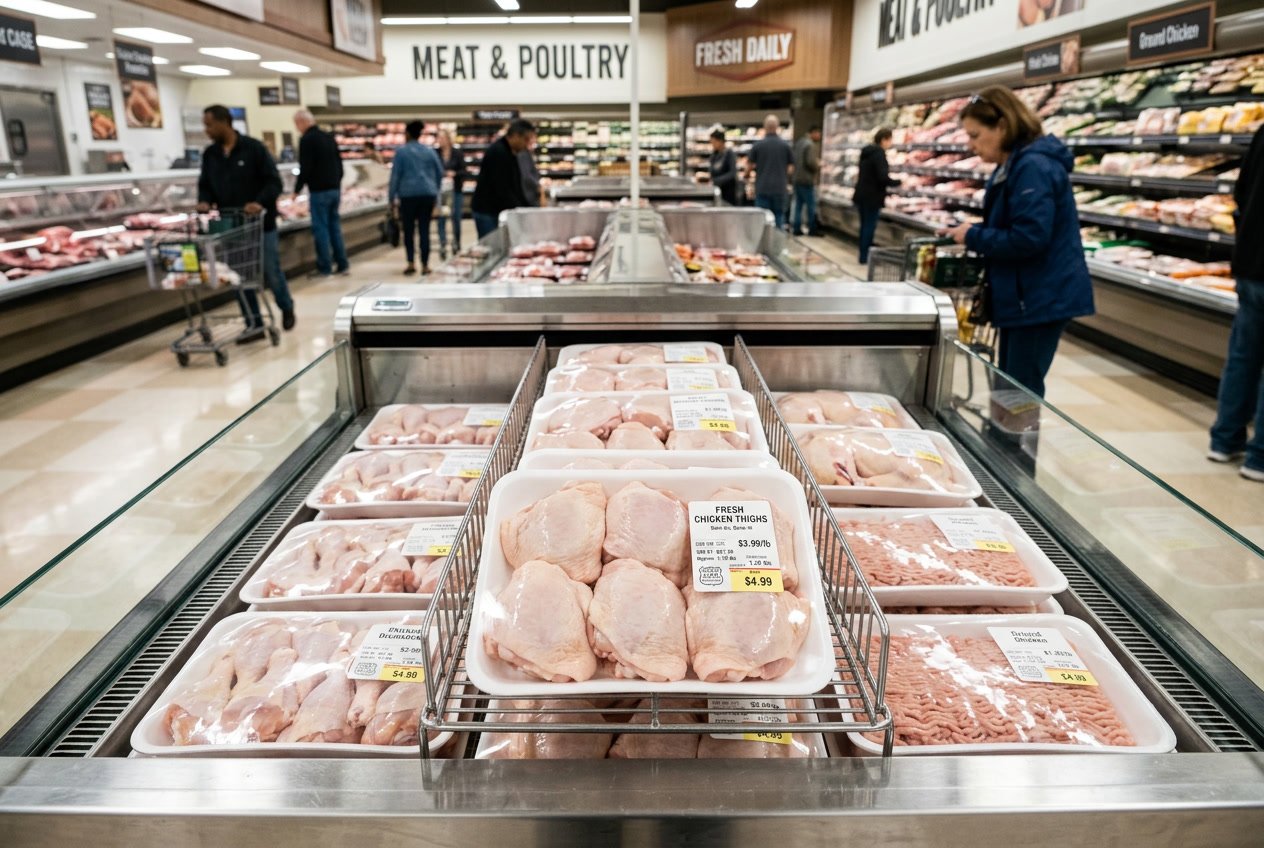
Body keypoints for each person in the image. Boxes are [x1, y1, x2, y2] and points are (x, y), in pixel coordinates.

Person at [940, 85, 1094, 398]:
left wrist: (973, 235)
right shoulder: (1015, 165)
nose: (971, 145)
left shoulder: (1032, 167)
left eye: (975, 135)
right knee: (1010, 386)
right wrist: (975, 229)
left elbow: (1030, 237)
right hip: (1025, 293)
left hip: (1039, 296)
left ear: (1003, 126)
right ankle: (1006, 442)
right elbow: (1018, 223)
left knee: (1019, 391)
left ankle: (1015, 447)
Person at [197, 103, 295, 336]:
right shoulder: (210, 155)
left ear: (224, 122)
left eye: (209, 125)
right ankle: (254, 323)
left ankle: (286, 306)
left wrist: (259, 202)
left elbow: (274, 182)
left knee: (270, 270)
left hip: (261, 224)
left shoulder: (254, 149)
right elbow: (205, 184)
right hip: (230, 225)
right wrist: (204, 200)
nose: (207, 130)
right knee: (238, 276)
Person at [1208, 123, 1264, 482]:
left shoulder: (1262, 133)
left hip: (1251, 261)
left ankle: (1224, 440)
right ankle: (1259, 458)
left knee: (1244, 354)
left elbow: (1241, 194)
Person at [292, 109, 350, 279]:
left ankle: (325, 268)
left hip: (319, 191)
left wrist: (296, 190)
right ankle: (342, 264)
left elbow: (306, 167)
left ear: (302, 122)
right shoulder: (328, 137)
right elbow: (339, 164)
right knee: (334, 228)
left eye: (297, 124)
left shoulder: (307, 140)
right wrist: (337, 183)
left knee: (321, 230)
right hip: (334, 190)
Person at [389, 119, 445, 276]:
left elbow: (395, 177)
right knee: (424, 229)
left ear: (407, 134)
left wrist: (391, 198)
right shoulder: (429, 151)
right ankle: (425, 265)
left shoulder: (401, 152)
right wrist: (435, 190)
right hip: (427, 195)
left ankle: (411, 262)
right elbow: (439, 172)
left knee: (408, 230)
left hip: (407, 196)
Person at [471, 118, 535, 238]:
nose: (527, 144)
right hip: (488, 211)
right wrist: (521, 209)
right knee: (491, 246)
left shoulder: (511, 152)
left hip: (496, 209)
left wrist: (526, 208)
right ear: (515, 136)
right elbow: (502, 188)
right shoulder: (499, 153)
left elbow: (515, 184)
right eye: (526, 139)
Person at [854, 127, 900, 264]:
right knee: (869, 226)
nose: (890, 143)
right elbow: (882, 177)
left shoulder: (866, 152)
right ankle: (865, 257)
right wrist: (898, 182)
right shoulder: (879, 154)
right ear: (884, 139)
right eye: (890, 140)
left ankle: (863, 254)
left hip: (861, 194)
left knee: (864, 226)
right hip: (872, 196)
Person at [748, 114, 793, 230]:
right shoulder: (785, 146)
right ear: (777, 126)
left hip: (762, 187)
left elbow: (749, 166)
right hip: (780, 187)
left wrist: (748, 175)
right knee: (779, 216)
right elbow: (791, 168)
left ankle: (763, 245)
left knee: (762, 218)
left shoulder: (758, 145)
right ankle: (777, 244)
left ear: (765, 127)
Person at [434, 128, 467, 259]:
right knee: (441, 219)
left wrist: (454, 174)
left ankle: (456, 243)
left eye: (443, 138)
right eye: (439, 138)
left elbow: (464, 171)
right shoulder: (435, 153)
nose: (440, 140)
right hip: (440, 192)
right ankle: (443, 244)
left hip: (455, 190)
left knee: (456, 218)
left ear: (448, 139)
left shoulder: (457, 153)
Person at [792, 125, 822, 236]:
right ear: (813, 133)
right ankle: (812, 229)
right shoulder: (810, 145)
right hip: (806, 179)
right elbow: (810, 162)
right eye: (819, 134)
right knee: (811, 205)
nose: (819, 136)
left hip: (797, 178)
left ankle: (796, 227)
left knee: (798, 205)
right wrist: (818, 164)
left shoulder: (800, 142)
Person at [708, 128, 739, 205]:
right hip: (717, 192)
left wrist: (716, 181)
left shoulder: (729, 154)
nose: (712, 144)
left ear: (721, 141)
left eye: (714, 142)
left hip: (728, 193)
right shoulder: (714, 155)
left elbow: (732, 173)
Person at [518, 128, 541, 207]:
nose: (535, 140)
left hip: (528, 195)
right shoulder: (523, 153)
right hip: (529, 197)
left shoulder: (525, 152)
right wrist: (538, 185)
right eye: (533, 137)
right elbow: (526, 176)